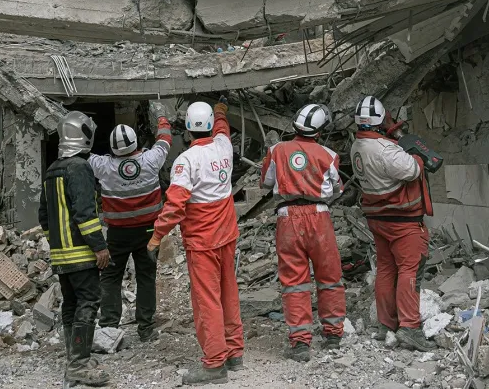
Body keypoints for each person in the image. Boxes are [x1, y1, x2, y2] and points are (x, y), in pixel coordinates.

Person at [148, 99, 243, 384]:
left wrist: (155, 238)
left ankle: (215, 363)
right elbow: (224, 129)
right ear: (211, 125)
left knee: (207, 302)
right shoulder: (224, 147)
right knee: (228, 294)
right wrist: (223, 110)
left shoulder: (185, 161)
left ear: (187, 130)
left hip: (202, 242)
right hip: (228, 236)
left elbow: (175, 207)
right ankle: (235, 352)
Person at [259, 103, 346, 362]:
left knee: (294, 280)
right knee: (329, 274)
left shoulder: (276, 150)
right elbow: (336, 190)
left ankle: (300, 342)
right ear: (319, 132)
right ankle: (332, 334)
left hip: (287, 219)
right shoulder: (328, 154)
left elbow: (265, 182)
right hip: (319, 216)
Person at [349, 96, 435, 352]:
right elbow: (412, 170)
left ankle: (386, 324)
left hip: (378, 219)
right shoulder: (385, 150)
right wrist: (418, 155)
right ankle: (409, 327)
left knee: (386, 269)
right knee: (410, 270)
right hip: (403, 221)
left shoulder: (357, 146)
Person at [88, 103, 173, 342]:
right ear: (136, 143)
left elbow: (81, 153)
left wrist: (88, 130)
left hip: (117, 234)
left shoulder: (103, 166)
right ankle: (145, 328)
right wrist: (162, 117)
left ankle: (109, 327)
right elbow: (165, 138)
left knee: (111, 278)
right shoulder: (151, 160)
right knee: (146, 278)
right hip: (148, 232)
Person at [39, 111, 111, 387]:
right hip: (81, 253)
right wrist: (99, 246)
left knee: (71, 305)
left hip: (61, 255)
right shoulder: (79, 168)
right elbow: (85, 212)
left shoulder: (53, 169)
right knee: (89, 303)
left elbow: (44, 216)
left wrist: (55, 242)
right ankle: (79, 365)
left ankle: (74, 357)